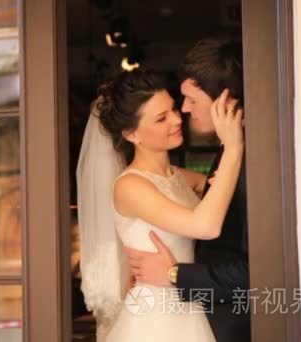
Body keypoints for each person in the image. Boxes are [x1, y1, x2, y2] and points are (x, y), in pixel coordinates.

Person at [77, 67, 243, 341]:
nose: (177, 119)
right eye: (161, 118)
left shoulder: (180, 177)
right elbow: (206, 226)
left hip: (188, 299)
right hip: (155, 314)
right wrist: (233, 147)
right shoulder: (130, 186)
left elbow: (218, 190)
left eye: (174, 109)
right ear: (132, 135)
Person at [124, 37, 251, 342]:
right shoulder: (229, 150)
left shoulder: (244, 156)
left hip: (228, 323)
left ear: (225, 99)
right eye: (162, 116)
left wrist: (173, 275)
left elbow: (254, 269)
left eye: (191, 99)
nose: (184, 110)